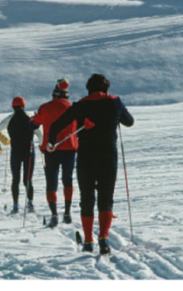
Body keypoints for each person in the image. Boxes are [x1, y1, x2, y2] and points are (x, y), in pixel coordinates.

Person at [48, 74, 134, 255]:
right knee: (106, 198)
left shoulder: (80, 105)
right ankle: (103, 237)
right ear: (106, 88)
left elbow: (57, 125)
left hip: (86, 157)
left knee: (87, 198)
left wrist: (51, 142)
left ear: (89, 88)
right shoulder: (115, 102)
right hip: (108, 157)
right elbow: (129, 122)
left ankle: (88, 241)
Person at [32, 78, 78, 228]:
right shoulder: (72, 108)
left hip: (50, 149)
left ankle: (54, 214)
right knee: (67, 179)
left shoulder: (44, 107)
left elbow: (34, 124)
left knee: (51, 182)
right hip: (69, 148)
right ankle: (68, 212)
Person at [0, 97, 42, 214]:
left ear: (13, 107)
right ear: (24, 105)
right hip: (29, 152)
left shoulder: (10, 119)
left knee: (16, 179)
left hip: (16, 153)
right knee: (27, 179)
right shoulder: (29, 118)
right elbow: (39, 135)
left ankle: (15, 205)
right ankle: (30, 204)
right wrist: (41, 145)